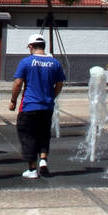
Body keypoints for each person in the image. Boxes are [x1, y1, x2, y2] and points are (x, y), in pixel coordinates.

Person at [9, 34, 64, 180]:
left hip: (29, 106)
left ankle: (32, 169)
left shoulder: (26, 62)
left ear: (31, 46)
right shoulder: (55, 63)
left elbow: (18, 83)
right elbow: (59, 84)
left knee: (28, 136)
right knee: (44, 133)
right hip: (47, 106)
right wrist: (52, 96)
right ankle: (44, 160)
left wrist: (13, 100)